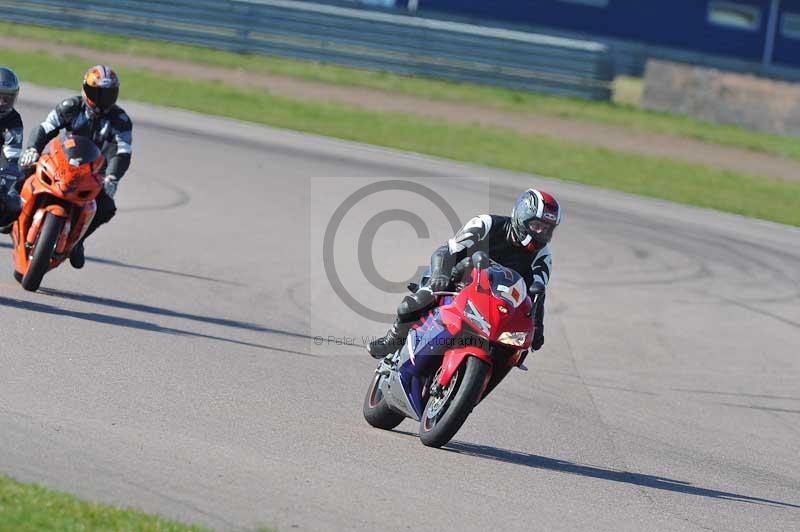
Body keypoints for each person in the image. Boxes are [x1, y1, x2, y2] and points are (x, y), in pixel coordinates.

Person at [367, 188, 562, 363]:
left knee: (514, 345)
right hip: (454, 277)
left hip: (493, 301)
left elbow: (537, 293)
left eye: (546, 229)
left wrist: (537, 328)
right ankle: (392, 340)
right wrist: (439, 276)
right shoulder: (486, 224)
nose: (540, 233)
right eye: (536, 225)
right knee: (418, 300)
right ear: (521, 218)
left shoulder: (542, 256)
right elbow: (446, 251)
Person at [17, 65, 132, 268]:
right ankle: (12, 214)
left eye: (108, 94)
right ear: (85, 90)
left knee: (106, 206)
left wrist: (112, 177)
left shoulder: (120, 120)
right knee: (24, 170)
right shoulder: (71, 106)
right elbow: (46, 127)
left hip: (93, 173)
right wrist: (33, 149)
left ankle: (78, 242)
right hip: (61, 162)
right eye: (97, 92)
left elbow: (122, 152)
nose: (102, 99)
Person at [0, 68, 23, 228]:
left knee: (13, 205)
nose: (2, 103)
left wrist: (10, 173)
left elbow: (12, 152)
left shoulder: (13, 119)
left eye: (7, 99)